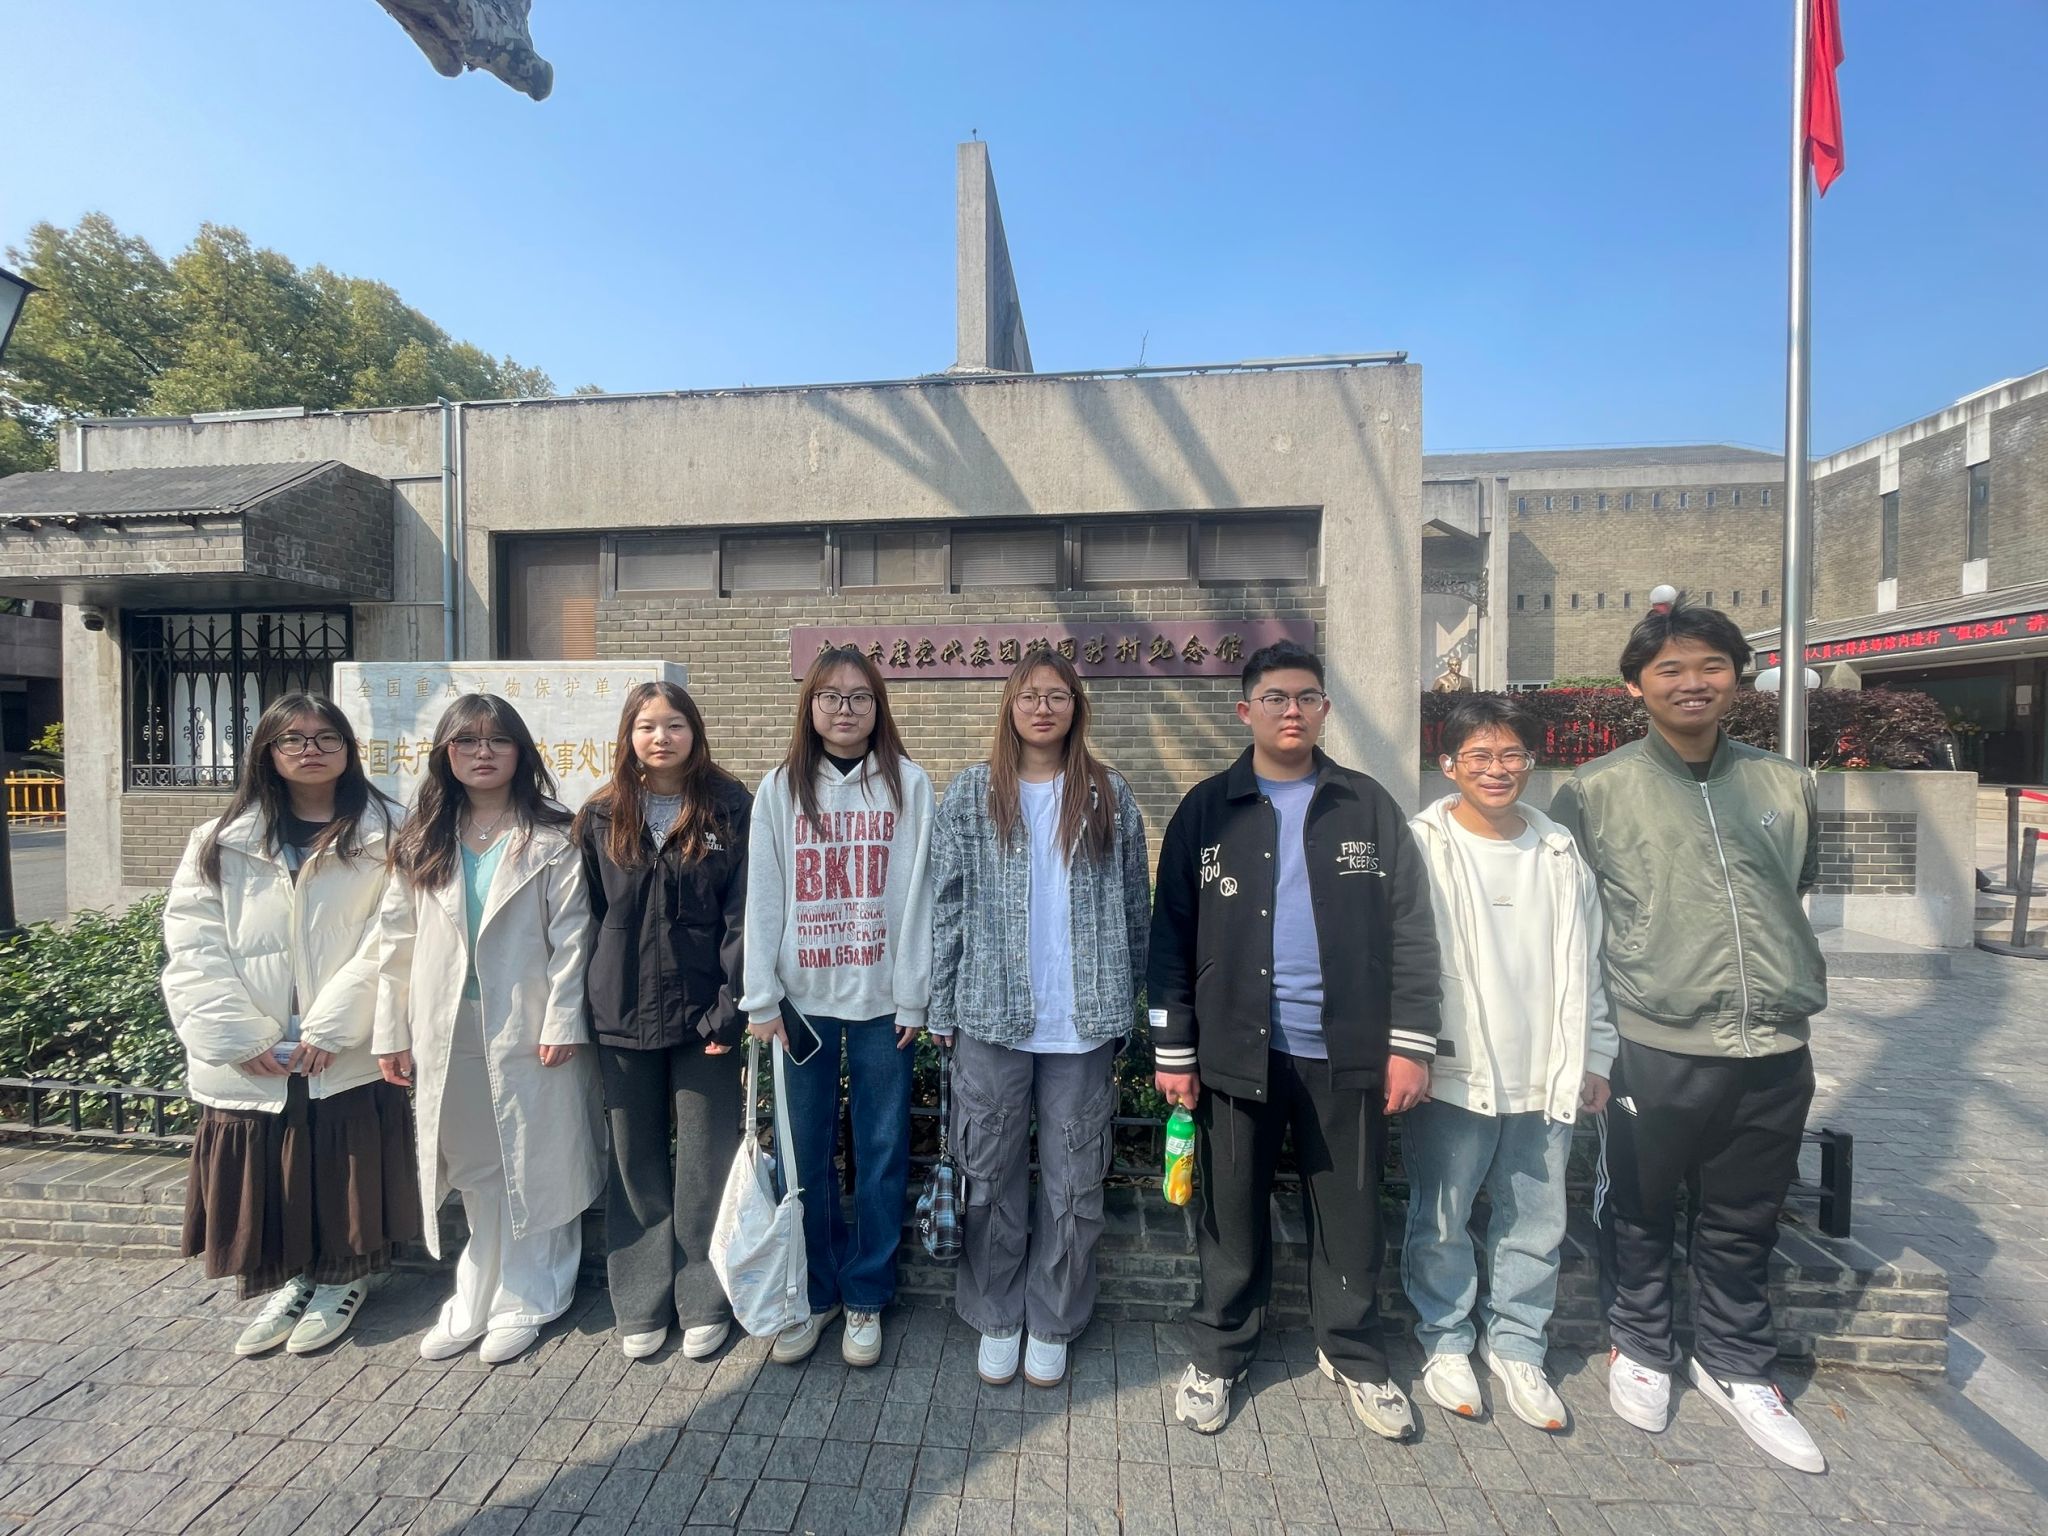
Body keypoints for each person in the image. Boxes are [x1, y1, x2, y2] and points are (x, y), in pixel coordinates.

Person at [1550, 602, 1829, 1475]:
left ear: (1738, 677)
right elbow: (1574, 922)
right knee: (1637, 1205)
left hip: (1774, 1042)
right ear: (1636, 686)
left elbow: (1796, 886)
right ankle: (1640, 1344)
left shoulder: (1786, 785)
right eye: (1669, 669)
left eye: (1711, 665)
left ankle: (1737, 1363)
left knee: (1746, 1215)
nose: (1692, 683)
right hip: (1654, 1040)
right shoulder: (1595, 792)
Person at [1149, 641, 1441, 1438]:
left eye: (1307, 697)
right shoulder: (1207, 809)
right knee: (1230, 1212)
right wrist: (1173, 1050)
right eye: (1275, 697)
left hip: (1345, 1055)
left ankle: (1352, 1351)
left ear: (1324, 710)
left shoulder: (1365, 805)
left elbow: (1413, 930)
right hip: (1234, 1053)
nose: (1292, 711)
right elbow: (1170, 935)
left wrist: (1410, 1044)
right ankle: (1220, 1350)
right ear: (1245, 710)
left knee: (1350, 1213)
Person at [163, 694, 421, 1356]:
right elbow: (193, 943)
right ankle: (294, 1279)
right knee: (272, 1161)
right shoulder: (220, 838)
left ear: (349, 749)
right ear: (267, 752)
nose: (311, 749)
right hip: (257, 1045)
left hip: (345, 1043)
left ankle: (344, 1280)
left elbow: (393, 936)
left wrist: (333, 1025)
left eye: (326, 737)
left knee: (344, 1154)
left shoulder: (390, 831)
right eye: (293, 739)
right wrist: (237, 1035)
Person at [929, 651, 1150, 1389]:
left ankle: (1053, 1317)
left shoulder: (1109, 794)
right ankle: (996, 1313)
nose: (1043, 708)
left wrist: (1129, 1008)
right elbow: (946, 905)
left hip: (1082, 1023)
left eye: (1057, 695)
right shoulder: (972, 793)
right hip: (991, 1016)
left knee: (1075, 1182)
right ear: (1010, 707)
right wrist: (941, 1005)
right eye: (1030, 696)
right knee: (988, 1173)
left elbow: (1135, 907)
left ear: (1076, 706)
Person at [1402, 694, 1617, 1431]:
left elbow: (1589, 962)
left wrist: (1596, 1053)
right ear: (1448, 765)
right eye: (1480, 756)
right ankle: (1444, 1339)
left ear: (1531, 762)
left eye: (1511, 755)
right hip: (1455, 1072)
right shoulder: (1421, 845)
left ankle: (1519, 1345)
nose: (1497, 769)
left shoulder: (1559, 851)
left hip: (1546, 1070)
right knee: (1441, 1216)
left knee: (1536, 1220)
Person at [377, 693, 603, 1366]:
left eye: (498, 740)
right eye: (467, 741)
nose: (483, 753)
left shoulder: (553, 837)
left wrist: (563, 1019)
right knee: (477, 1164)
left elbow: (574, 940)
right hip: (447, 1023)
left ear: (520, 752)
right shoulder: (422, 838)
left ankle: (532, 1292)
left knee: (537, 1158)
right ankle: (477, 1288)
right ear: (445, 754)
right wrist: (391, 1030)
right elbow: (395, 943)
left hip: (530, 1025)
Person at [741, 646, 935, 1368]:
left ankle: (867, 1294)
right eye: (831, 696)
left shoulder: (909, 784)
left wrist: (915, 993)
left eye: (859, 697)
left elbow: (919, 897)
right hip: (802, 1003)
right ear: (810, 706)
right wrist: (761, 996)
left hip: (884, 1003)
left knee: (881, 1151)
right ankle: (816, 1291)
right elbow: (763, 896)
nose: (845, 709)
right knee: (805, 1152)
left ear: (879, 707)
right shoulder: (780, 788)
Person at [576, 681, 752, 1363]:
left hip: (705, 1014)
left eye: (674, 724)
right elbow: (590, 917)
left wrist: (729, 1010)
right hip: (621, 1014)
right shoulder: (600, 816)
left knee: (706, 1161)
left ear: (694, 732)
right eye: (647, 725)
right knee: (635, 1162)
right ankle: (641, 1300)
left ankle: (704, 1297)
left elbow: (746, 914)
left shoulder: (728, 807)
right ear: (628, 735)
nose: (661, 737)